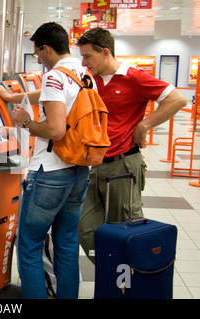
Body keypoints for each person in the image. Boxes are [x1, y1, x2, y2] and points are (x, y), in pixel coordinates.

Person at [0, 22, 90, 299]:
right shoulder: (82, 73)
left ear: (46, 48)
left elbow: (55, 130)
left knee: (30, 247)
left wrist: (26, 122)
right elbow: (52, 95)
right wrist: (12, 97)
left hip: (50, 173)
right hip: (78, 171)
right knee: (67, 245)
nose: (39, 59)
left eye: (37, 54)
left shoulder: (54, 75)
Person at [76, 27, 187, 264]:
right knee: (84, 227)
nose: (84, 61)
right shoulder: (88, 79)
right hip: (90, 166)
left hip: (121, 165)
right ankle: (111, 270)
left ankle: (131, 280)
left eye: (87, 56)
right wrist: (14, 97)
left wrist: (144, 125)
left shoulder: (134, 77)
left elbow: (177, 99)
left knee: (125, 227)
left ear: (105, 52)